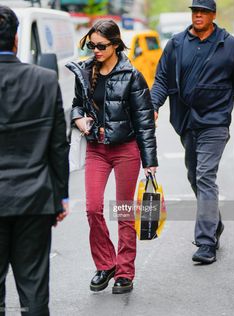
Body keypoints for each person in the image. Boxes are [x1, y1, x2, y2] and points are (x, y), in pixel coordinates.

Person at [66, 20, 157, 294]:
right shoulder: (84, 72)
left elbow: (144, 122)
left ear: (116, 44)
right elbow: (75, 106)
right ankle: (106, 264)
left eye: (101, 45)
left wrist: (150, 162)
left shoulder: (131, 75)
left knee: (124, 212)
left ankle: (125, 271)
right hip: (97, 148)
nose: (95, 50)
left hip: (125, 150)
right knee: (92, 208)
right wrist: (79, 120)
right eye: (91, 45)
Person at [151, 0, 234, 264]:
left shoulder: (229, 45)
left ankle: (206, 242)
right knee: (194, 175)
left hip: (215, 121)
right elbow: (162, 78)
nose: (198, 15)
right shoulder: (176, 43)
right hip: (186, 120)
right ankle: (214, 222)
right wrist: (153, 105)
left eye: (203, 11)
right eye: (194, 11)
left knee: (204, 176)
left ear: (213, 15)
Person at [0, 5, 69, 315]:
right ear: (16, 39)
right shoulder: (44, 80)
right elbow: (58, 146)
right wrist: (62, 195)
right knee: (34, 288)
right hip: (35, 197)